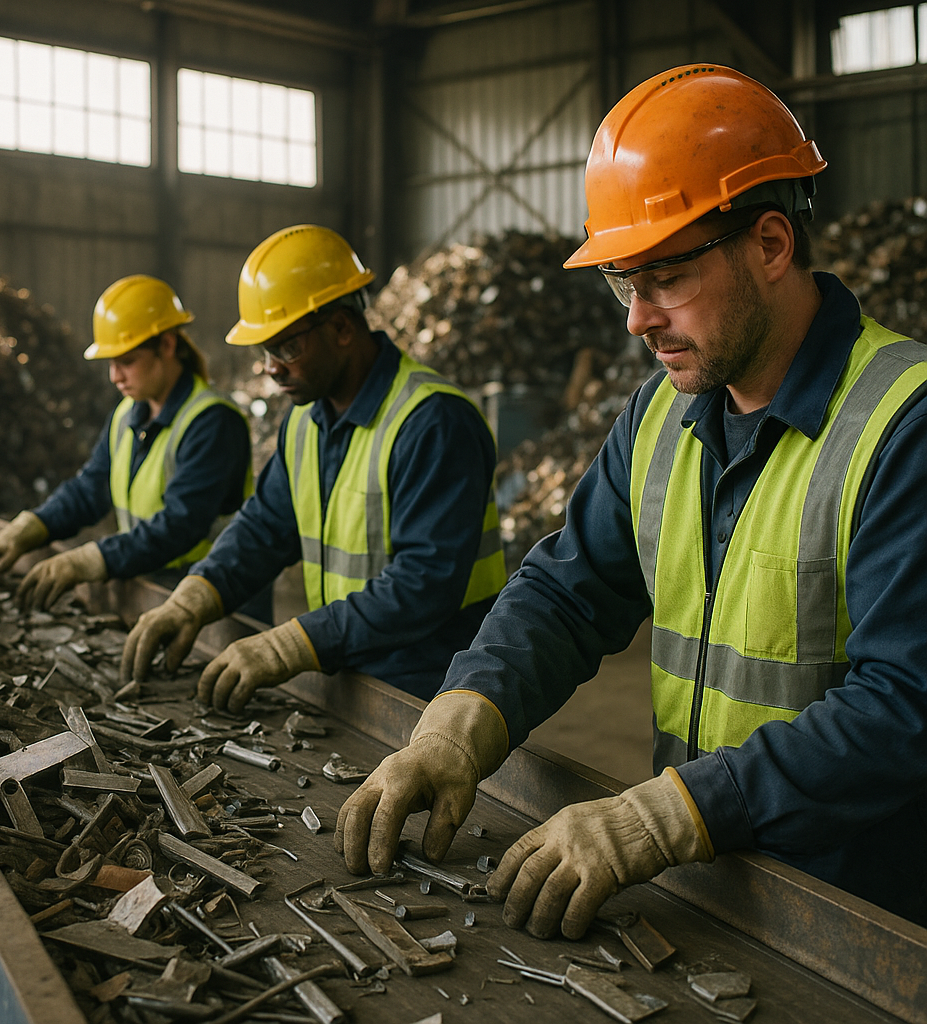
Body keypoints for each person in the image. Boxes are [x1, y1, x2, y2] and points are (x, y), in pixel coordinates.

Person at [335, 63, 927, 934]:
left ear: (771, 244)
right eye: (623, 282)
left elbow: (903, 707)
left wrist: (665, 814)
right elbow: (566, 591)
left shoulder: (902, 423)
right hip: (708, 886)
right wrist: (458, 724)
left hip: (858, 919)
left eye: (664, 279)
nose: (636, 319)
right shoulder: (661, 414)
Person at [119, 224, 507, 712]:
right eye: (264, 351)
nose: (271, 368)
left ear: (342, 328)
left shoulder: (433, 422)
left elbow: (422, 584)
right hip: (353, 672)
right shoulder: (306, 419)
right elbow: (265, 527)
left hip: (431, 689)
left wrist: (290, 644)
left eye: (285, 348)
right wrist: (196, 595)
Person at [0, 274, 266, 620]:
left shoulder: (213, 423)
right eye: (111, 362)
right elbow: (90, 488)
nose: (114, 376)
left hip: (217, 599)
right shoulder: (127, 415)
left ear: (167, 345)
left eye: (127, 361)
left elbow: (180, 526)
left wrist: (91, 559)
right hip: (156, 585)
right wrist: (32, 526)